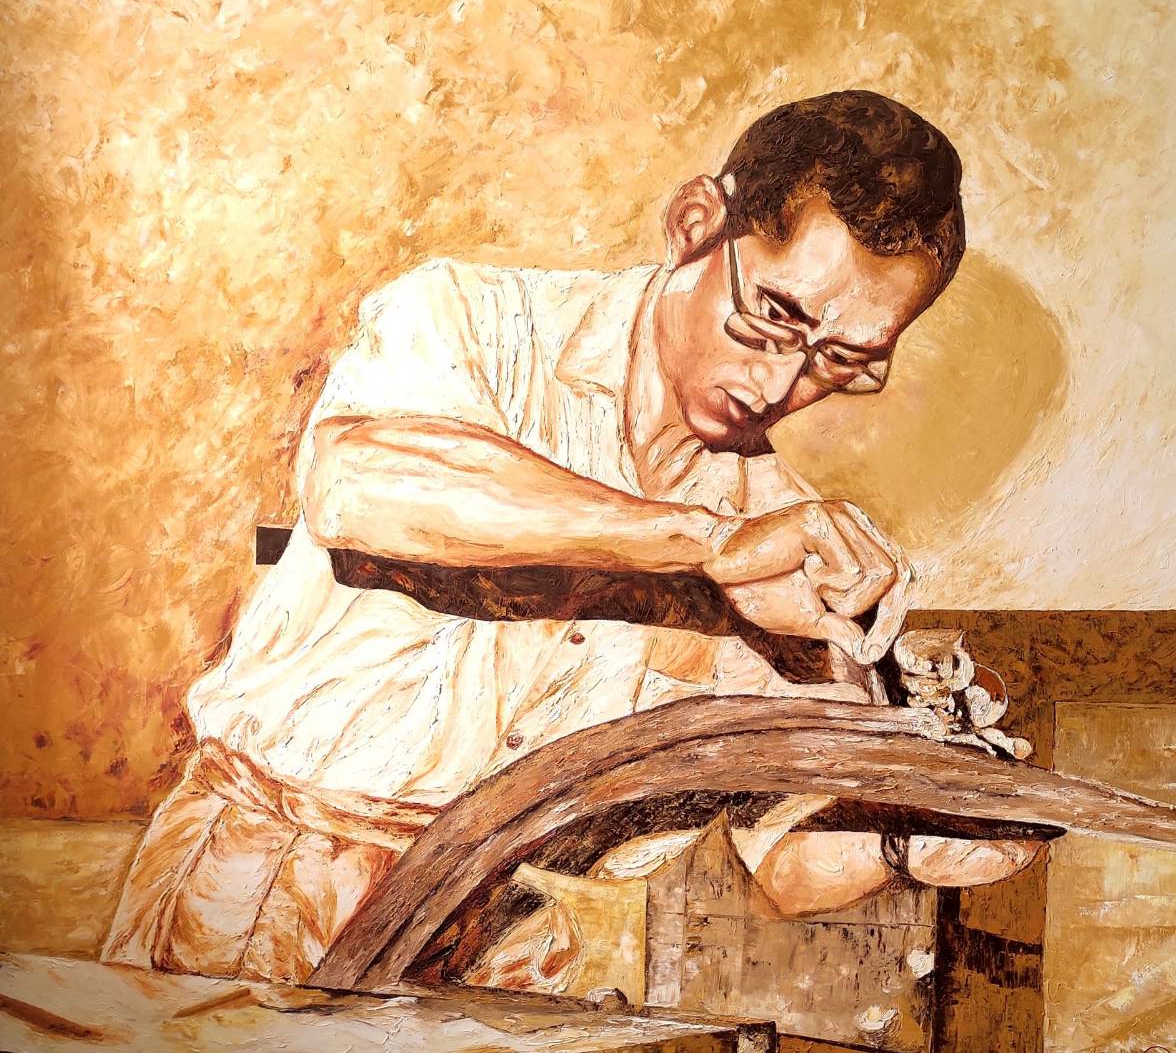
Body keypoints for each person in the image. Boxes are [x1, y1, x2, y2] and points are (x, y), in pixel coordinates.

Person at [102, 90, 1042, 986]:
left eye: (843, 359)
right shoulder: (474, 322)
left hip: (507, 945)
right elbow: (356, 485)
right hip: (260, 895)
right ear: (695, 226)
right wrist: (701, 543)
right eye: (774, 315)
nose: (777, 384)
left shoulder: (784, 538)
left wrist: (909, 843)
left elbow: (774, 861)